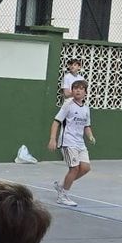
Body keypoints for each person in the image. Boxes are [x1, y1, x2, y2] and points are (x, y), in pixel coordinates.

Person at [48, 80, 95, 208]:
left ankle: (61, 185)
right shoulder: (68, 105)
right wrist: (53, 138)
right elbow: (56, 122)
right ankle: (62, 196)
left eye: (81, 89)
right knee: (74, 168)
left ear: (85, 92)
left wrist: (90, 136)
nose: (78, 91)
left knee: (85, 168)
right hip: (68, 142)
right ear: (72, 91)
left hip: (80, 143)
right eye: (75, 88)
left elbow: (87, 126)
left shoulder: (86, 109)